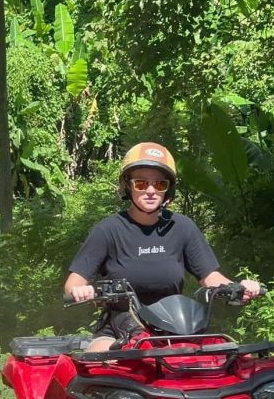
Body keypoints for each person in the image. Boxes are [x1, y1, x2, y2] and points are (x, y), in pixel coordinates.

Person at [65, 142, 262, 352]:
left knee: (224, 359)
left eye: (159, 184)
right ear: (127, 186)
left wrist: (238, 288)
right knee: (103, 361)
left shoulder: (182, 227)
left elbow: (210, 277)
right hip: (120, 330)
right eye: (141, 183)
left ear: (168, 189)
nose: (150, 191)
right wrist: (82, 291)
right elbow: (72, 284)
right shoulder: (108, 230)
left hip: (177, 329)